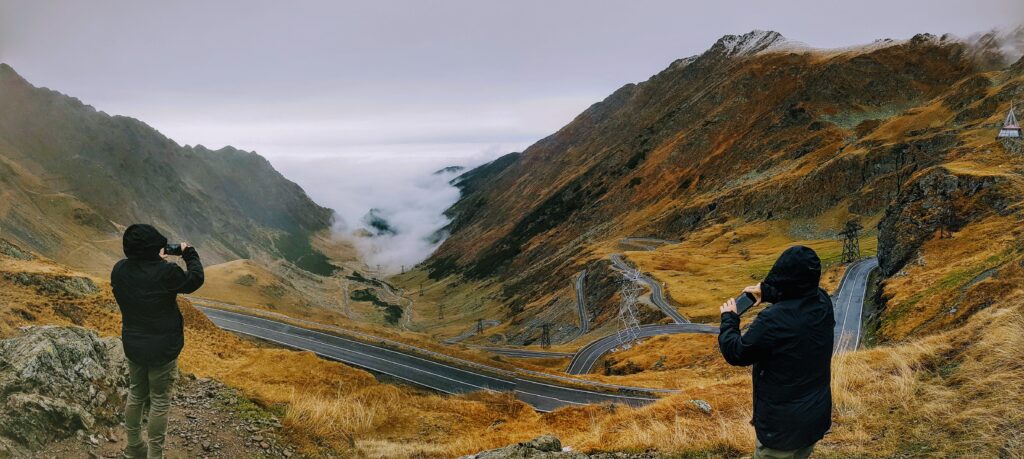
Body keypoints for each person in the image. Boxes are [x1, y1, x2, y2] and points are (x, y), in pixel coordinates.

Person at [718, 245, 834, 459]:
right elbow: (799, 294)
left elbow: (736, 353)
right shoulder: (823, 302)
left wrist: (729, 319)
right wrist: (768, 291)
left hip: (781, 430)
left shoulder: (773, 320)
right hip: (813, 418)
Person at [111, 224, 204, 459]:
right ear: (153, 249)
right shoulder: (166, 273)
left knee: (136, 394)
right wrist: (188, 253)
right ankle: (155, 455)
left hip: (133, 344)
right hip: (163, 348)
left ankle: (134, 449)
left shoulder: (119, 270)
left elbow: (141, 274)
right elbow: (195, 279)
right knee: (160, 400)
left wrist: (153, 259)